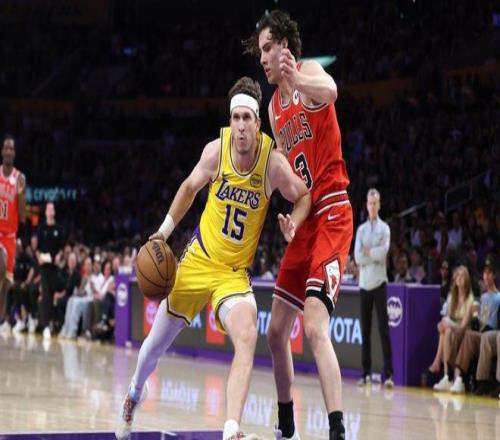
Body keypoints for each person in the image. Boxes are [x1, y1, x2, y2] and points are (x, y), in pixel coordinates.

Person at [115, 76, 311, 440]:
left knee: (248, 336)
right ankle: (133, 393)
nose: (240, 126)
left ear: (257, 122)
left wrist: (294, 222)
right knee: (151, 349)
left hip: (233, 274)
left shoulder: (272, 163)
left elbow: (303, 195)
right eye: (235, 118)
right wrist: (162, 233)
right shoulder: (214, 151)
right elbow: (189, 188)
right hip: (198, 260)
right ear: (230, 120)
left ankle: (231, 429)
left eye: (247, 118)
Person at [244, 11, 353, 439]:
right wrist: (293, 219)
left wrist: (297, 79)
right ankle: (286, 425)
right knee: (274, 333)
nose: (262, 58)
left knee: (313, 326)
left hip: (335, 213)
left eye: (268, 48)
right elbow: (298, 185)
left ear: (285, 47)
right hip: (308, 220)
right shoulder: (273, 109)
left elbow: (332, 91)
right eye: (260, 51)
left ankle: (337, 429)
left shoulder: (310, 74)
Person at [354, 188, 393, 387]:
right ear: (366, 205)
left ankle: (389, 375)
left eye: (375, 202)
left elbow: (383, 252)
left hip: (379, 283)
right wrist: (372, 253)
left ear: (379, 205)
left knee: (383, 329)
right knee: (366, 331)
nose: (372, 206)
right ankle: (366, 374)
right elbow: (357, 257)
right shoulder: (361, 230)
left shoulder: (385, 228)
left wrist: (369, 252)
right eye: (370, 203)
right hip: (364, 285)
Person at [450, 258, 500, 393]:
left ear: (494, 276)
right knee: (468, 334)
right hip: (481, 334)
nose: (486, 276)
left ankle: (467, 379)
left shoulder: (498, 297)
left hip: (491, 334)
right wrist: (475, 317)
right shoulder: (483, 297)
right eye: (484, 273)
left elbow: (494, 325)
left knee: (477, 336)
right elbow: (478, 323)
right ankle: (458, 378)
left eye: (489, 273)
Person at [431, 265, 474, 391]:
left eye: (462, 276)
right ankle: (446, 377)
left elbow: (463, 326)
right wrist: (446, 324)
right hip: (452, 331)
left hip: (465, 333)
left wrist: (447, 324)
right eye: (457, 275)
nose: (459, 278)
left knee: (446, 328)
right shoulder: (452, 296)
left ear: (467, 279)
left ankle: (440, 365)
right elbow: (449, 320)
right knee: (446, 332)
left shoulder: (469, 298)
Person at [0, 135, 26, 335]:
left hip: (10, 236)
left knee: (6, 285)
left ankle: (1, 320)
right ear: (2, 151)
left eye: (12, 148)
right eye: (6, 148)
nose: (9, 151)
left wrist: (21, 194)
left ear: (14, 153)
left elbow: (23, 216)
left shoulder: (19, 178)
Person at [37, 202, 64, 339]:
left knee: (53, 295)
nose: (50, 211)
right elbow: (37, 249)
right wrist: (39, 258)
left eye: (52, 208)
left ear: (54, 211)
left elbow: (62, 248)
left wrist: (59, 256)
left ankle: (53, 322)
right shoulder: (41, 228)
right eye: (48, 209)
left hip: (54, 267)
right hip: (44, 267)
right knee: (46, 295)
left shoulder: (59, 229)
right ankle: (46, 325)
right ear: (45, 212)